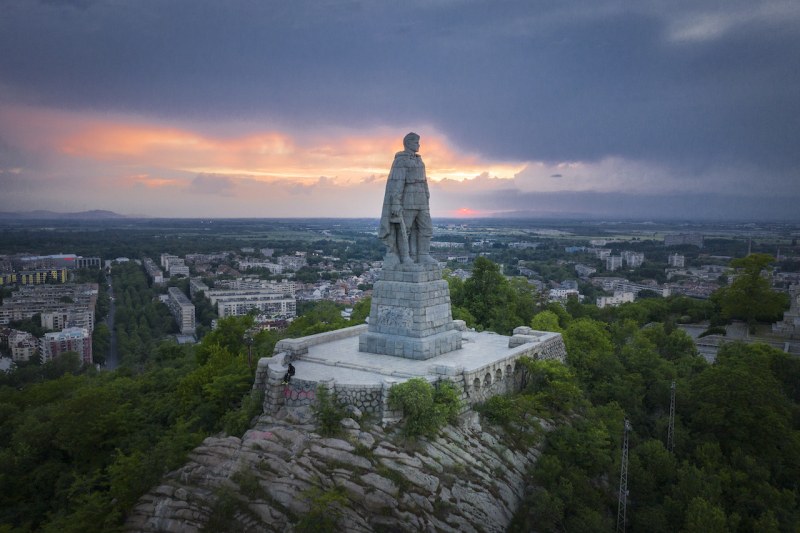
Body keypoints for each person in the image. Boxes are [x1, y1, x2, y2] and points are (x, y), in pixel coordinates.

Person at [378, 132, 438, 268]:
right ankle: (405, 258)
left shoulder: (419, 160)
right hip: (408, 199)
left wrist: (427, 196)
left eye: (419, 142)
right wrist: (395, 202)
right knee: (405, 230)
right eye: (416, 142)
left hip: (422, 199)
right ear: (408, 143)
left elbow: (425, 181)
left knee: (426, 228)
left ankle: (423, 255)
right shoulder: (401, 160)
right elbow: (398, 182)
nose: (419, 145)